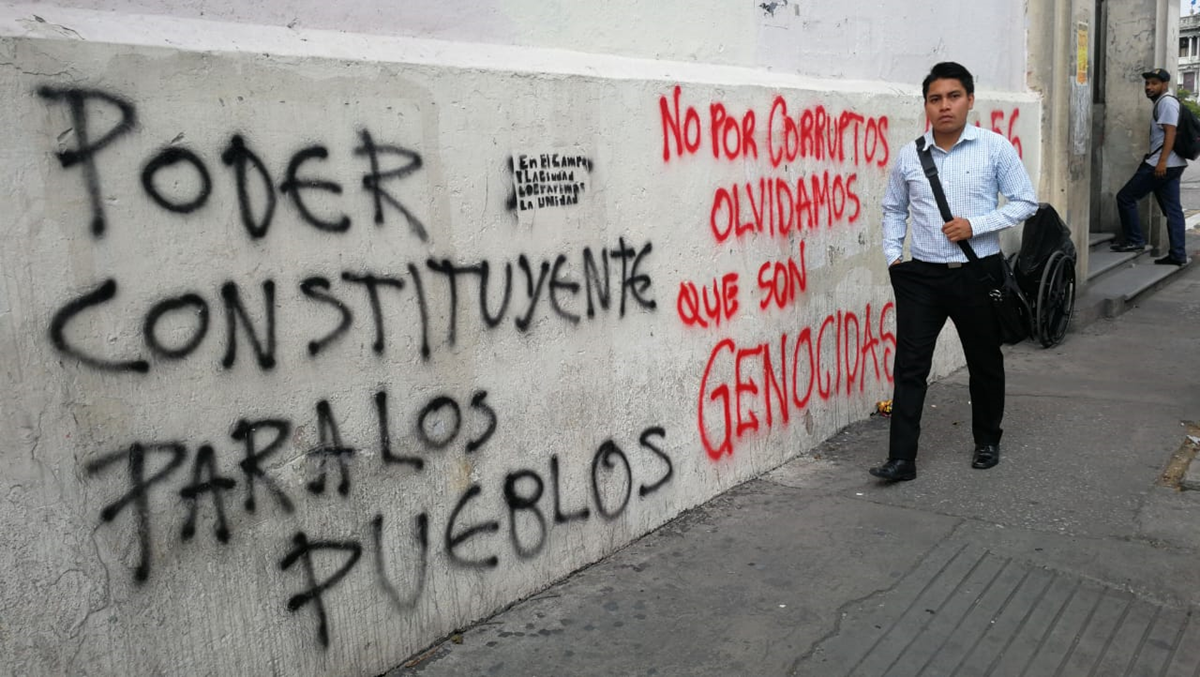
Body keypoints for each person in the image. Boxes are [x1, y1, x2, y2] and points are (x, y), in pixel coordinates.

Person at [869, 62, 1038, 482]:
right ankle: (902, 459)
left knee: (983, 361)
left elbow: (1025, 202)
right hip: (922, 277)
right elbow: (894, 207)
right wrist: (893, 255)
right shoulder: (911, 154)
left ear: (970, 100)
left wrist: (975, 225)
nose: (944, 106)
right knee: (909, 367)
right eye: (935, 98)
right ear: (926, 105)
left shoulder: (995, 148)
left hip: (977, 274)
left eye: (953, 96)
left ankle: (986, 440)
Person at [1111, 68, 1189, 266]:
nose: (1149, 87)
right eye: (1147, 83)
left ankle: (1135, 240)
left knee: (1125, 197)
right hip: (1172, 164)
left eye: (1154, 83)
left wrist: (1161, 162)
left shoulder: (1167, 103)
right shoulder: (1166, 102)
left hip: (1162, 164)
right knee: (1173, 211)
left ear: (1164, 85)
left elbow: (1170, 133)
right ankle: (1178, 254)